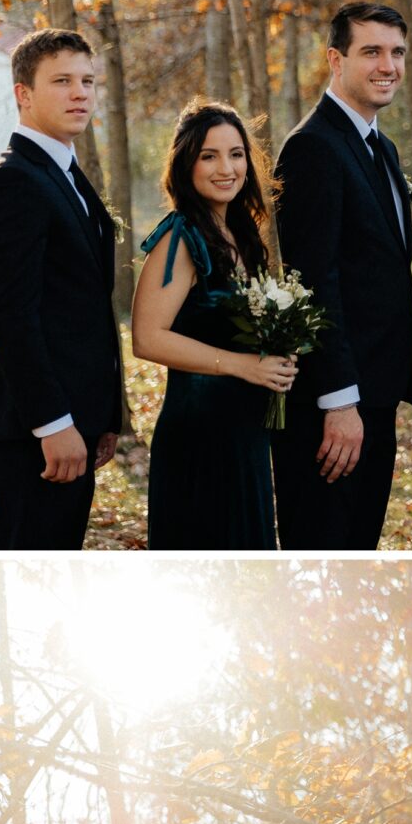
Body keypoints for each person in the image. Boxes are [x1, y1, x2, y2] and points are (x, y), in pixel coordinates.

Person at [0, 28, 125, 550]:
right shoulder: (14, 182)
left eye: (87, 80)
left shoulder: (64, 173)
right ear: (23, 94)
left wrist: (101, 416)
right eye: (62, 81)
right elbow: (13, 318)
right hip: (33, 430)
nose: (80, 92)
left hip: (74, 422)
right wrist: (52, 424)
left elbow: (80, 308)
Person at [272, 1, 412, 550]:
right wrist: (339, 401)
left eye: (397, 52)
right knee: (325, 551)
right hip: (333, 404)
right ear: (336, 60)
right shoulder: (312, 147)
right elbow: (313, 282)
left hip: (375, 393)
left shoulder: (381, 147)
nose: (388, 66)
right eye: (372, 52)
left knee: (359, 548)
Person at [131, 101, 295, 549]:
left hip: (243, 432)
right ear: (186, 164)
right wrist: (242, 365)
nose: (227, 168)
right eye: (209, 156)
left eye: (236, 154)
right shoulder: (179, 237)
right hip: (198, 436)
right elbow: (147, 338)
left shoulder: (241, 234)